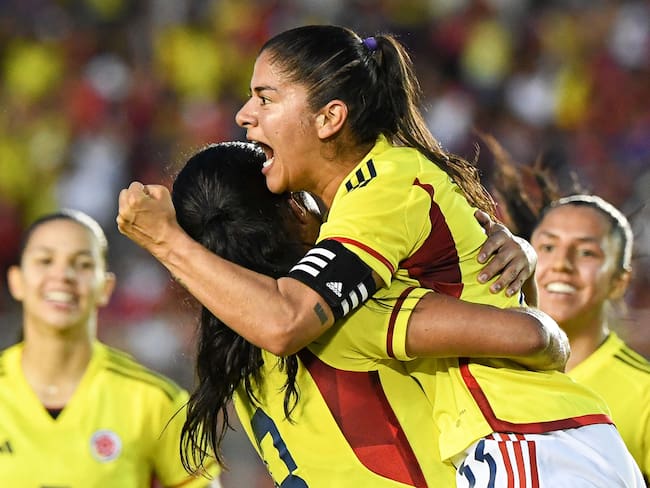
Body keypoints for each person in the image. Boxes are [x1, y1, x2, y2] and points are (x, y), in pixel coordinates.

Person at [117, 26, 643, 486]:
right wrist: (531, 299)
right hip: (528, 440)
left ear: (329, 118)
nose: (244, 114)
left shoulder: (378, 191)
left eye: (266, 97)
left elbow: (287, 319)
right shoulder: (366, 215)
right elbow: (531, 331)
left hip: (523, 439)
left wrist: (168, 243)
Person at [171, 142, 568, 487]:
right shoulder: (345, 311)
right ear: (295, 206)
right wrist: (519, 268)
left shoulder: (235, 347)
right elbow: (528, 336)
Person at [0, 209, 221, 487]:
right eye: (45, 261)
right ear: (16, 281)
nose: (62, 275)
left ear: (106, 287)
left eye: (81, 264)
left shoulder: (153, 400)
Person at [484, 134, 650, 483]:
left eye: (587, 252)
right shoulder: (489, 370)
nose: (562, 264)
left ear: (620, 281)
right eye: (547, 247)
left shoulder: (643, 395)